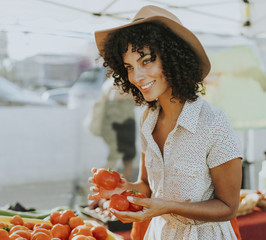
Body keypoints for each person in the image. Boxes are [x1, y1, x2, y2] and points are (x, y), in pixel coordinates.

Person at [89, 5, 243, 239]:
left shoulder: (213, 122)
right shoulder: (148, 119)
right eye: (129, 67)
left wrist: (168, 207)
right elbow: (148, 186)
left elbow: (228, 207)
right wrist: (123, 189)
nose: (137, 77)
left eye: (146, 61)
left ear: (173, 59)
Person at [98, 77, 136, 181]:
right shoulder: (122, 82)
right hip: (124, 124)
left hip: (112, 124)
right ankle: (101, 182)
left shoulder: (107, 83)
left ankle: (102, 183)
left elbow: (103, 100)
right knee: (125, 159)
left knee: (116, 157)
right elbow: (132, 99)